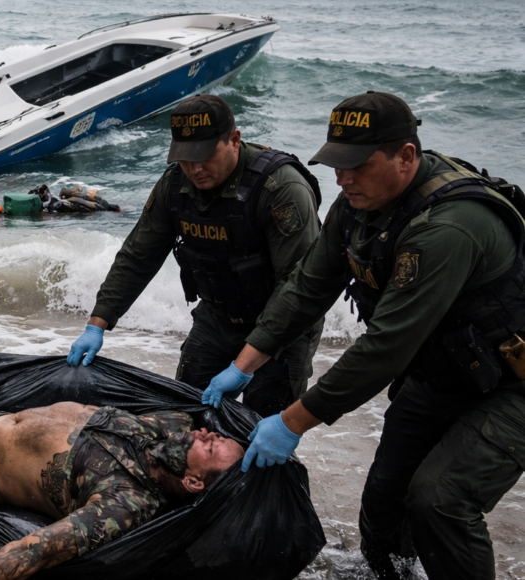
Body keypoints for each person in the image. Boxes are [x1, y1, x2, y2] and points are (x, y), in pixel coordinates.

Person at [219, 91, 525, 580]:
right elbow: (308, 286)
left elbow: (384, 349)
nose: (342, 178)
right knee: (385, 506)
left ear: (406, 156)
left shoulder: (449, 227)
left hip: (512, 384)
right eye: (337, 165)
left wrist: (291, 422)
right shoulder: (360, 201)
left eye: (356, 165)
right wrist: (244, 362)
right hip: (443, 371)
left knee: (440, 502)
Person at [67, 94, 324, 417]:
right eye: (186, 158)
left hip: (284, 327)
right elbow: (138, 255)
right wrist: (98, 324)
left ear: (234, 139)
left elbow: (298, 288)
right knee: (184, 422)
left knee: (260, 434)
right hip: (218, 318)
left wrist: (244, 366)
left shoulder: (280, 189)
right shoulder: (175, 184)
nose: (195, 168)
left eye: (205, 155)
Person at [0, 402, 244, 580]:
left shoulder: (125, 502)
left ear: (193, 481)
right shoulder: (166, 428)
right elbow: (203, 410)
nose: (206, 433)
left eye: (209, 447)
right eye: (214, 435)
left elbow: (34, 551)